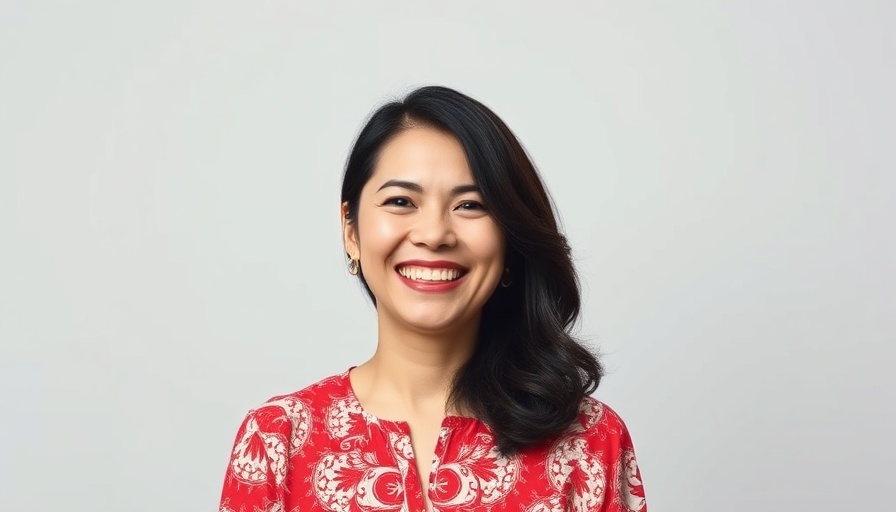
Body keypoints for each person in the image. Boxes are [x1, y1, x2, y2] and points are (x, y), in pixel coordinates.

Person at [218, 85, 647, 512]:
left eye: (470, 205)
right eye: (401, 201)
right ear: (351, 231)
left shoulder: (589, 443)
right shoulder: (278, 441)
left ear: (510, 240)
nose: (434, 234)